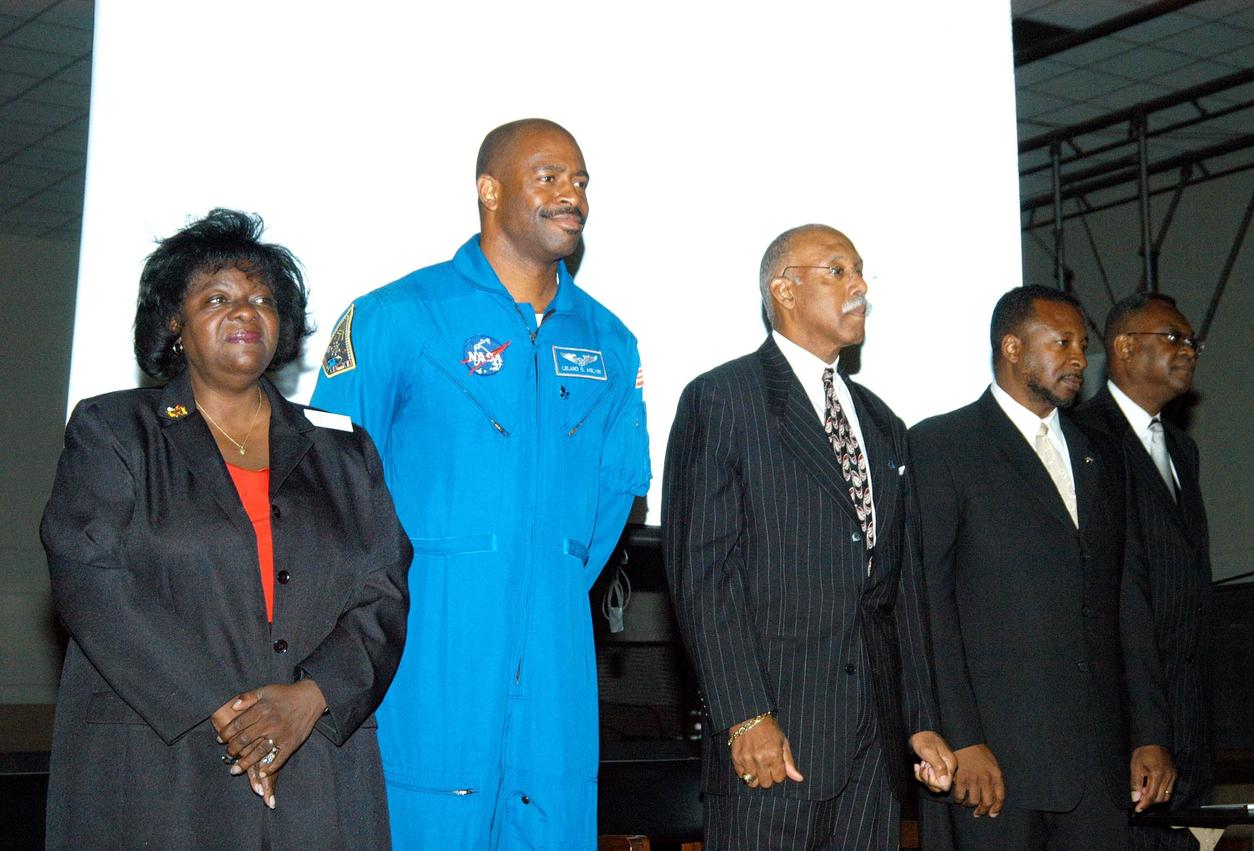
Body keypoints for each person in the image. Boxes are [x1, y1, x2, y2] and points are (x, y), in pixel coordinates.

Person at [310, 118, 650, 850]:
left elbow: (610, 501)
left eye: (581, 181)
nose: (572, 195)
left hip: (556, 655)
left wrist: (546, 579)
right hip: (425, 647)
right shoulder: (396, 317)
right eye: (549, 177)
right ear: (489, 190)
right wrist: (450, 574)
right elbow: (329, 492)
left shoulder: (610, 342)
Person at [41, 209, 412, 849]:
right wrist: (230, 710)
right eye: (217, 298)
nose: (246, 311)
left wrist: (310, 698)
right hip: (160, 763)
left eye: (263, 299)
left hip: (316, 762)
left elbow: (383, 591)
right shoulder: (114, 431)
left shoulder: (345, 449)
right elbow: (91, 584)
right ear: (174, 324)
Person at [662, 224, 955, 850]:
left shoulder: (881, 421)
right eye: (837, 271)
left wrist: (921, 720)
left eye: (860, 271)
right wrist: (745, 714)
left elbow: (900, 586)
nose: (860, 286)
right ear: (784, 290)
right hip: (775, 734)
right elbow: (703, 576)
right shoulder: (723, 398)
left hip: (873, 747)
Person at [909, 284, 1175, 850]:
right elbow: (929, 603)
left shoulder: (1102, 454)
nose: (1079, 358)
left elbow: (1127, 598)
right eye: (1061, 342)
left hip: (1099, 764)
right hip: (993, 763)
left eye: (1081, 344)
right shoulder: (941, 444)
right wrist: (961, 738)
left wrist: (1149, 732)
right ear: (1012, 348)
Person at [1073, 292, 1213, 850]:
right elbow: (1106, 600)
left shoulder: (1180, 447)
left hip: (1187, 717)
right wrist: (1143, 731)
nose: (1189, 350)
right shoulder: (1083, 437)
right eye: (1174, 338)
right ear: (1126, 348)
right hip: (1127, 728)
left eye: (1192, 341)